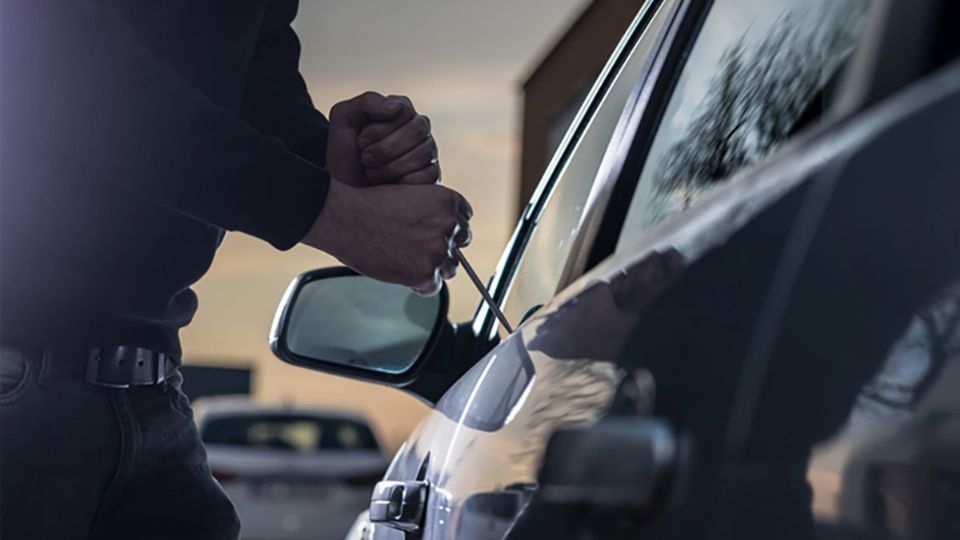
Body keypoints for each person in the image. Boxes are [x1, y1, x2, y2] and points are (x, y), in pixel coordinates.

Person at [0, 1, 471, 538]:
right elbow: (67, 67)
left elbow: (250, 80)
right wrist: (339, 217)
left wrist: (335, 163)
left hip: (149, 389)